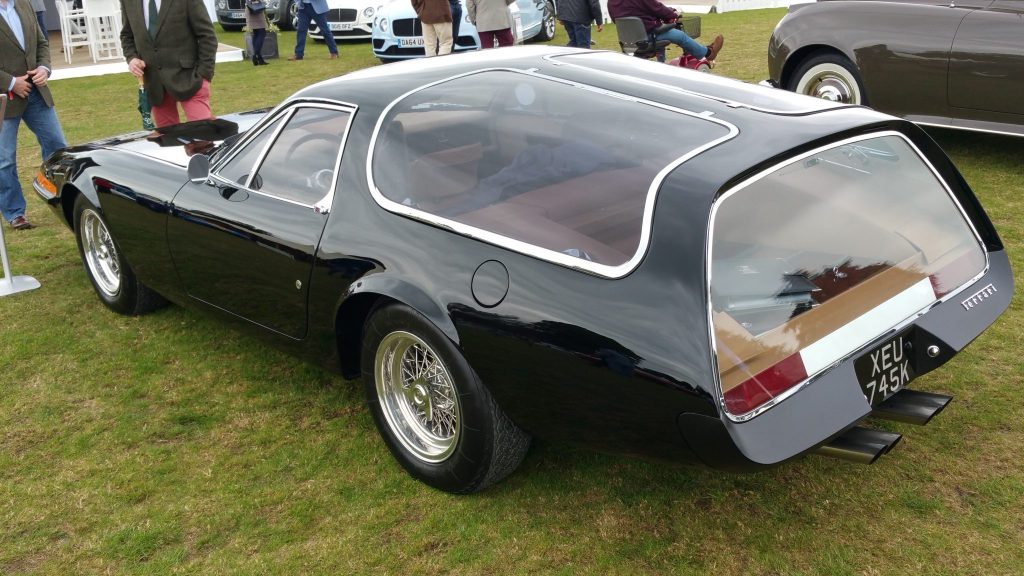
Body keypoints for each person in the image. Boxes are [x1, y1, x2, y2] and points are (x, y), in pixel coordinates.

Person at [0, 0, 67, 230]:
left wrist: (44, 68)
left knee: (58, 146)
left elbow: (41, 42)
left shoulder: (24, 3)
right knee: (4, 160)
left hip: (36, 92)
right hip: (3, 98)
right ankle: (14, 213)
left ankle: (58, 195)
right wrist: (10, 82)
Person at [120, 0, 218, 128]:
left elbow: (207, 36)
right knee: (168, 143)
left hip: (190, 79)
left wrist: (204, 74)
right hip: (155, 83)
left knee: (203, 139)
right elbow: (127, 35)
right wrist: (132, 58)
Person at [607, 0, 723, 62]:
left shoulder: (611, 2)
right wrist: (672, 13)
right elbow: (657, 8)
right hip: (647, 37)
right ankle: (708, 53)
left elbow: (615, 20)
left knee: (661, 29)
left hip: (628, 41)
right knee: (680, 35)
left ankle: (661, 63)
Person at [246, 0, 268, 65]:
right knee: (261, 33)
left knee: (256, 33)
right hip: (255, 8)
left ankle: (259, 57)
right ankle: (255, 55)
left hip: (251, 8)